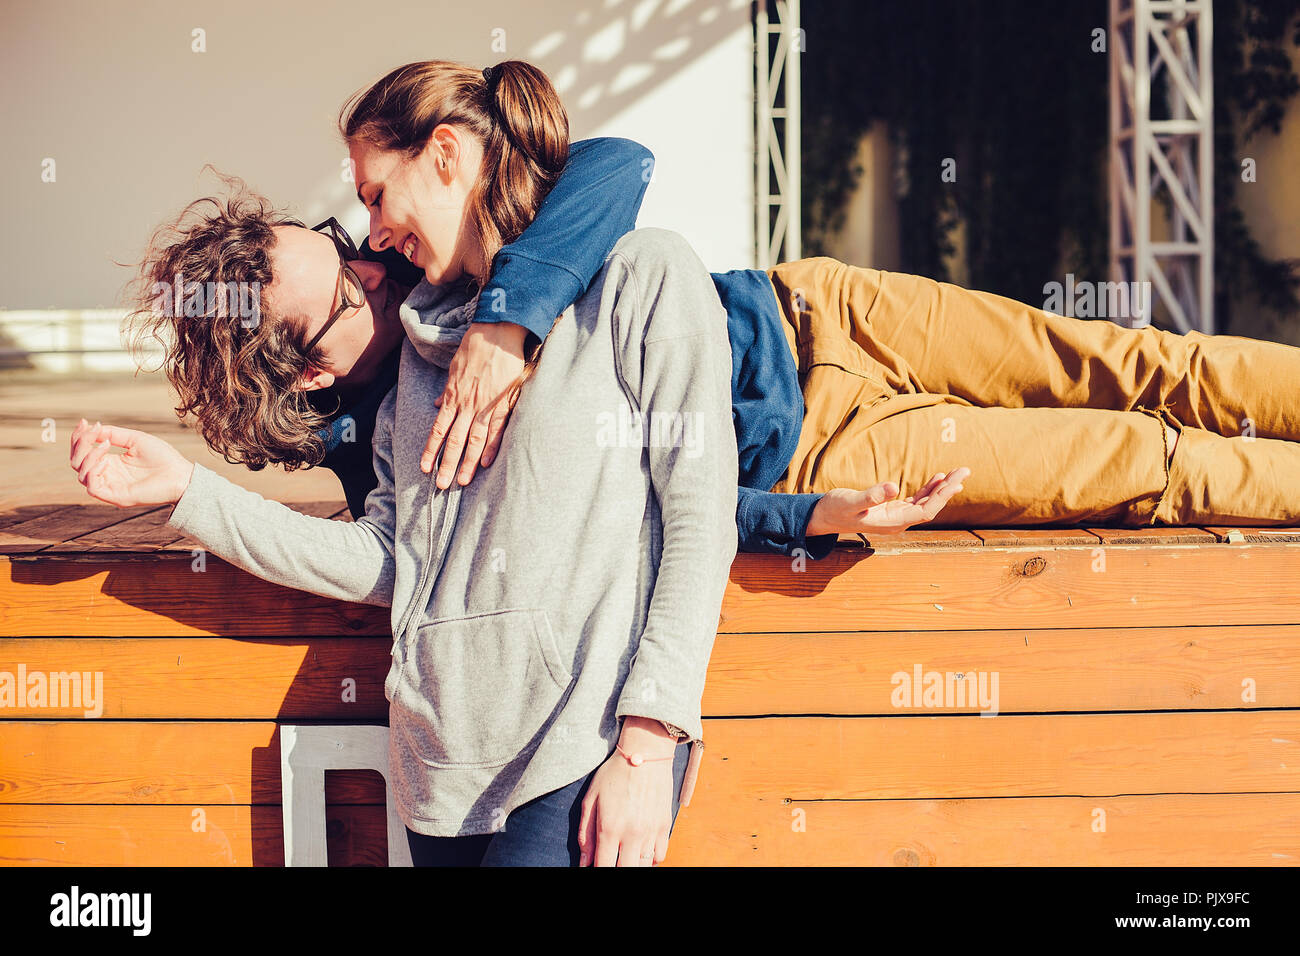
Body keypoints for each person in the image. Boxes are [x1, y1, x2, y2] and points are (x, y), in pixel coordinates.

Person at [76, 60, 741, 867]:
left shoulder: (643, 276)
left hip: (578, 750)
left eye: (370, 203)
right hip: (439, 780)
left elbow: (702, 514)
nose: (374, 246)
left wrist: (649, 743)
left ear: (448, 156)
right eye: (349, 285)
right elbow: (394, 561)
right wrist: (188, 491)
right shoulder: (412, 371)